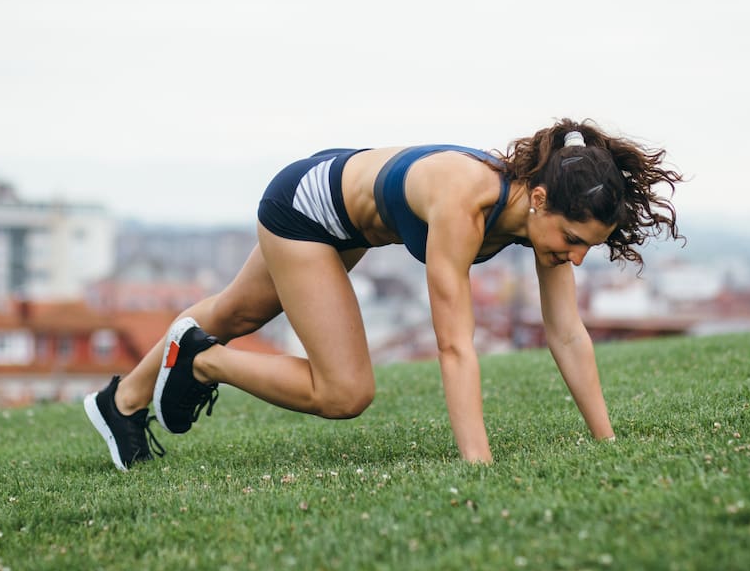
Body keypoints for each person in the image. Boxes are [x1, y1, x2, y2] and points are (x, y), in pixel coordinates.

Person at [84, 118, 682, 470]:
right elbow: (455, 345)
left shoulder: (542, 217)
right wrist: (480, 465)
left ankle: (122, 403)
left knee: (233, 311)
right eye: (573, 240)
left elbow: (567, 333)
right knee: (345, 392)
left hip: (340, 207)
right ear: (543, 200)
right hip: (307, 207)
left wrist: (606, 443)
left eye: (587, 248)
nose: (575, 258)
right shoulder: (467, 202)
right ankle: (202, 361)